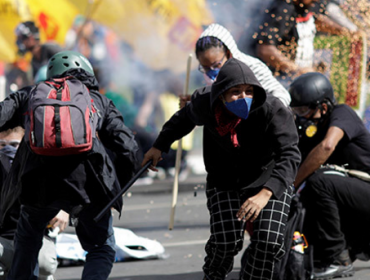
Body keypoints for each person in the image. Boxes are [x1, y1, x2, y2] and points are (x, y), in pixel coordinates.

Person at [142, 58, 301, 279]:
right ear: (221, 94)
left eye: (248, 91)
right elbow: (183, 119)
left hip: (269, 179)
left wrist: (266, 193)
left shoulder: (272, 109)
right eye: (235, 92)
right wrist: (159, 146)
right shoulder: (205, 104)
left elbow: (290, 154)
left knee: (269, 241)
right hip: (225, 179)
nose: (243, 97)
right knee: (226, 243)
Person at [0, 50, 140, 279]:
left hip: (38, 185)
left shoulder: (30, 95)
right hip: (88, 186)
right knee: (100, 248)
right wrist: (115, 191)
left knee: (27, 241)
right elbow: (129, 148)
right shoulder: (98, 101)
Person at [289, 72, 370, 279]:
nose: (300, 115)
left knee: (318, 181)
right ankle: (334, 250)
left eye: (304, 109)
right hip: (352, 197)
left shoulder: (342, 113)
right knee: (306, 192)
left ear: (323, 106)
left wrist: (293, 184)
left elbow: (327, 147)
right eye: (296, 110)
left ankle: (337, 258)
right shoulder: (310, 128)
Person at [0, 127, 68, 280]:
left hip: (34, 237)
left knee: (44, 264)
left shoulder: (37, 168)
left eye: (14, 144)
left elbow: (64, 192)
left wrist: (63, 210)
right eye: (3, 145)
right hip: (3, 240)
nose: (8, 150)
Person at [253, 0, 358, 88]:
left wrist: (346, 32)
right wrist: (296, 69)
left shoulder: (308, 4)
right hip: (281, 81)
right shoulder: (283, 9)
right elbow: (264, 49)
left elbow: (317, 20)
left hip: (301, 77)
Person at [191, 23, 291, 107]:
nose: (212, 71)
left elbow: (282, 95)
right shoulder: (211, 81)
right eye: (206, 68)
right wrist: (192, 109)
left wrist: (260, 114)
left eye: (216, 65)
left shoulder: (251, 67)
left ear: (229, 53)